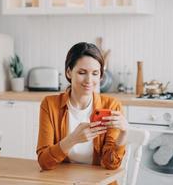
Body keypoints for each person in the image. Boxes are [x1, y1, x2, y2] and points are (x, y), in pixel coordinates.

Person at [36, 42, 128, 184]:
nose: (89, 80)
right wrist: (72, 139)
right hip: (63, 181)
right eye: (82, 72)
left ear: (100, 76)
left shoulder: (111, 105)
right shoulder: (50, 104)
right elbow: (44, 162)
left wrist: (124, 133)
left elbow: (111, 164)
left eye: (95, 73)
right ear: (68, 72)